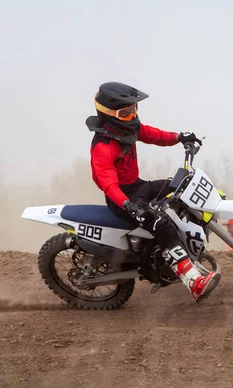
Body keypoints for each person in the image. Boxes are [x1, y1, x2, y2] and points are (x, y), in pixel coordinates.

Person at [85, 81, 220, 303]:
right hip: (122, 199)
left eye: (134, 109)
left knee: (182, 186)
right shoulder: (104, 147)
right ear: (109, 114)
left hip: (138, 186)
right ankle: (192, 280)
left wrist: (179, 137)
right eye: (126, 112)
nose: (133, 115)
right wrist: (129, 206)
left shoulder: (127, 130)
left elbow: (154, 135)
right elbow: (108, 184)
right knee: (160, 223)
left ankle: (188, 245)